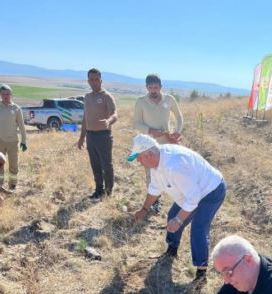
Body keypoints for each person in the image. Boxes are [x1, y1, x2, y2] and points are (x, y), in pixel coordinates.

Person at [127, 134, 226, 281]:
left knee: (198, 228)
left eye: (139, 157)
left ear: (149, 154)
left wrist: (179, 220)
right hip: (192, 191)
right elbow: (154, 189)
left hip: (211, 190)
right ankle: (172, 250)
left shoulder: (175, 166)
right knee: (172, 216)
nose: (138, 161)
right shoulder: (155, 164)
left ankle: (201, 272)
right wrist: (144, 210)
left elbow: (193, 199)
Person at [133, 74, 184, 212]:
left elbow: (179, 117)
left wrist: (177, 131)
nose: (153, 90)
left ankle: (180, 199)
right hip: (148, 144)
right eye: (151, 88)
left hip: (167, 143)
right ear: (146, 87)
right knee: (151, 172)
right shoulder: (141, 102)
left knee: (169, 170)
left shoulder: (169, 99)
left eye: (156, 87)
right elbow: (136, 123)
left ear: (161, 87)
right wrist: (150, 130)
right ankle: (154, 202)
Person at [76, 68, 117, 199]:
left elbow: (115, 114)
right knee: (95, 165)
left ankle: (108, 191)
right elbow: (85, 118)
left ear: (101, 80)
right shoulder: (87, 97)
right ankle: (98, 190)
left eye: (96, 80)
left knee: (106, 164)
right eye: (91, 80)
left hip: (104, 135)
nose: (94, 82)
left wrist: (109, 121)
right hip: (91, 136)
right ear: (88, 81)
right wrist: (82, 137)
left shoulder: (106, 96)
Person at [0, 84, 28, 190]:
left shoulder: (16, 108)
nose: (5, 96)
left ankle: (12, 185)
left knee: (13, 165)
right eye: (3, 94)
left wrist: (24, 141)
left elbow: (22, 126)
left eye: (7, 94)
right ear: (0, 94)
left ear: (11, 94)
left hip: (12, 141)